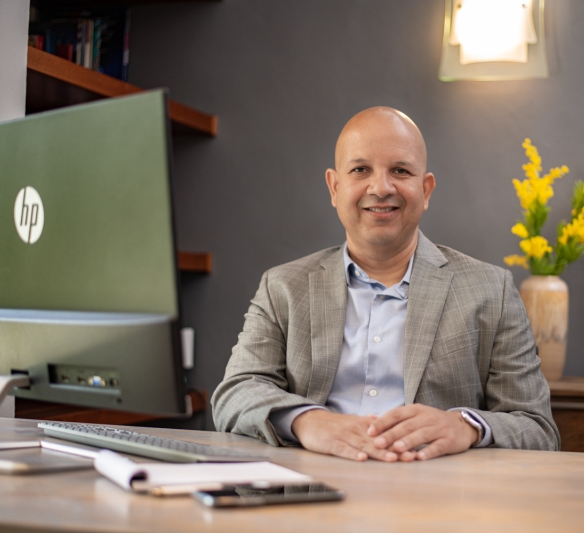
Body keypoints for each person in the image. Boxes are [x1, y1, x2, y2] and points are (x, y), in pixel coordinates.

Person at [212, 107, 559, 462]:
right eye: (360, 170)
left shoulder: (490, 290)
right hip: (310, 493)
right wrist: (306, 421)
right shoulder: (283, 287)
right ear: (335, 187)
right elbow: (235, 393)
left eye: (400, 170)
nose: (380, 187)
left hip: (438, 499)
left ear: (425, 190)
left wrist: (465, 426)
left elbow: (537, 428)